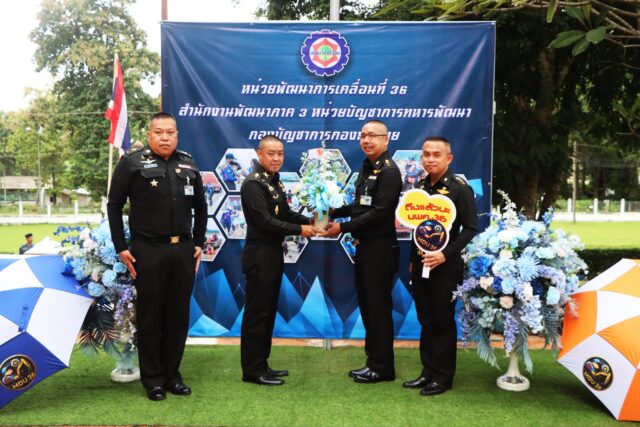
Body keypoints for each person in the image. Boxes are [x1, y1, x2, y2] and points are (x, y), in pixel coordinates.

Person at [107, 112, 207, 401]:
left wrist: (198, 242)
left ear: (177, 135)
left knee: (178, 315)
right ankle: (153, 379)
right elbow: (114, 205)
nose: (165, 137)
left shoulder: (188, 163)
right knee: (151, 316)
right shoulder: (132, 163)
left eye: (170, 132)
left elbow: (201, 207)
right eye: (159, 132)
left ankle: (172, 375)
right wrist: (120, 246)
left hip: (183, 250)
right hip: (148, 250)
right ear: (149, 135)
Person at [319, 120, 402, 384]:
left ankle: (383, 367)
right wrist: (332, 212)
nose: (366, 140)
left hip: (380, 250)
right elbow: (360, 206)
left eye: (373, 135)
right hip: (365, 248)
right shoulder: (367, 168)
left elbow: (379, 213)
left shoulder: (389, 172)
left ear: (386, 140)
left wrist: (341, 227)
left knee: (378, 308)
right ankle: (373, 362)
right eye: (363, 135)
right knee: (368, 307)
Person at [403, 136, 477, 396]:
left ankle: (443, 377)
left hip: (445, 266)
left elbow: (470, 228)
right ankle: (428, 371)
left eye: (436, 154)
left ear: (449, 158)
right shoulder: (420, 187)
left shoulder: (460, 188)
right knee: (425, 319)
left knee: (442, 321)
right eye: (426, 154)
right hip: (420, 264)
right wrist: (413, 260)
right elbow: (417, 229)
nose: (430, 159)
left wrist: (444, 255)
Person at [240, 135, 317, 386]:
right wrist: (301, 230)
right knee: (257, 314)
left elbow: (285, 214)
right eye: (271, 153)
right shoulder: (253, 184)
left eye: (280, 153)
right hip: (259, 255)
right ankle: (252, 370)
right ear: (259, 154)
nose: (276, 158)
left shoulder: (274, 181)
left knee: (268, 311)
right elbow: (265, 222)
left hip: (273, 254)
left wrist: (311, 221)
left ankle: (262, 364)